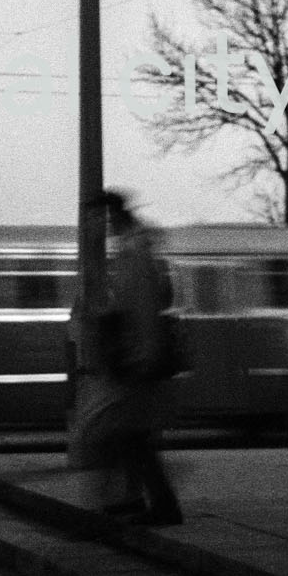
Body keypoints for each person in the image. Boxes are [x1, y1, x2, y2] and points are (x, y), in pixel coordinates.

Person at [82, 190, 183, 526]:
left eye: (100, 218)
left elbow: (140, 309)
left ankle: (159, 505)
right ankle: (139, 501)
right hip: (135, 354)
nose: (99, 227)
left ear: (113, 216)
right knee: (131, 434)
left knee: (130, 434)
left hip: (137, 357)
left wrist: (142, 356)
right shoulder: (134, 248)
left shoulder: (133, 252)